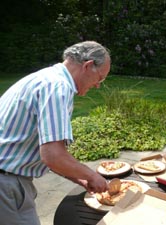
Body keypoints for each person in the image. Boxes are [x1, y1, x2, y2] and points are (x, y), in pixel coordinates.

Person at [0, 41, 111, 225]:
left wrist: (81, 179)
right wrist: (92, 176)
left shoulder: (46, 78)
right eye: (100, 78)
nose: (98, 85)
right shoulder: (58, 87)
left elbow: (45, 150)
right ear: (88, 65)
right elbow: (53, 155)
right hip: (6, 184)